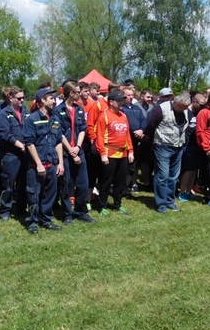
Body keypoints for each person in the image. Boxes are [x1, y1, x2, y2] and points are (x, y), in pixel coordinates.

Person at [23, 87, 65, 234]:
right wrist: (39, 164)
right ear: (42, 100)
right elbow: (29, 143)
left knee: (49, 194)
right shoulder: (32, 119)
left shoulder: (55, 119)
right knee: (34, 194)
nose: (54, 101)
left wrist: (60, 163)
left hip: (52, 164)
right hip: (36, 166)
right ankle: (33, 222)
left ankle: (46, 219)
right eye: (51, 98)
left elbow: (58, 141)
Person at [52, 81, 95, 225]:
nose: (80, 94)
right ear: (71, 93)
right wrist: (70, 150)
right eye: (77, 91)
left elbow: (82, 129)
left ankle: (80, 211)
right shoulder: (58, 111)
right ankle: (67, 214)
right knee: (66, 184)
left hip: (78, 150)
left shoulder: (79, 109)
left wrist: (77, 146)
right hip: (65, 152)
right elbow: (58, 132)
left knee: (83, 183)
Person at [144, 90, 191, 213]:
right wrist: (151, 141)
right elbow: (151, 125)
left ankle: (170, 201)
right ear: (174, 102)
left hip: (178, 146)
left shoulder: (185, 109)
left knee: (173, 177)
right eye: (181, 107)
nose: (183, 110)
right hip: (163, 146)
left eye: (185, 108)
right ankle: (161, 204)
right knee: (162, 176)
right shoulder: (161, 109)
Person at [96, 89, 135, 216]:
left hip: (122, 154)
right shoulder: (104, 116)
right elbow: (99, 136)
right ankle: (103, 205)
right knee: (106, 181)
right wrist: (103, 154)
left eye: (122, 100)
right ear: (111, 102)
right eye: (118, 100)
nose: (121, 102)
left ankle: (118, 204)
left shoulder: (123, 115)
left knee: (120, 181)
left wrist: (130, 151)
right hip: (109, 153)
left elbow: (127, 135)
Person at [0, 86, 29, 221]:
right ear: (11, 98)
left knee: (23, 183)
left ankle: (21, 208)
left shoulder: (26, 112)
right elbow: (5, 134)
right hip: (10, 154)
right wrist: (20, 145)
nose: (22, 100)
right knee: (8, 184)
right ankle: (5, 210)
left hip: (25, 154)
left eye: (23, 98)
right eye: (19, 98)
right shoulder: (3, 114)